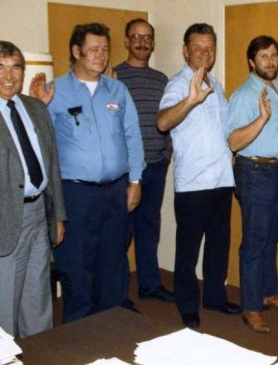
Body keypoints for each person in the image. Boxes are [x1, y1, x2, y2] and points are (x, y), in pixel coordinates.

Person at [30, 23, 145, 323]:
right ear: (76, 51)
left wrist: (135, 181)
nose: (101, 56)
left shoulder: (117, 90)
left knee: (112, 259)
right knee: (77, 264)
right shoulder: (55, 91)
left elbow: (133, 135)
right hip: (76, 192)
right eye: (94, 49)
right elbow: (42, 144)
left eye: (105, 49)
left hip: (115, 189)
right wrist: (37, 107)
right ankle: (78, 330)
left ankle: (109, 325)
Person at [157, 23, 240, 328]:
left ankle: (215, 298)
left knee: (219, 245)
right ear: (185, 50)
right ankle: (188, 304)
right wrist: (190, 100)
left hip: (221, 180)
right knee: (188, 249)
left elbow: (227, 131)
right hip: (192, 184)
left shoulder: (217, 86)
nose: (204, 53)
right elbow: (163, 122)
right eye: (198, 47)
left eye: (210, 48)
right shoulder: (177, 85)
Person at [227, 35, 278, 333]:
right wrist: (261, 119)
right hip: (254, 171)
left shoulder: (277, 88)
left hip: (277, 171)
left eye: (274, 55)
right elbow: (232, 141)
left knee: (271, 236)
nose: (270, 61)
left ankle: (267, 293)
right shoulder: (244, 95)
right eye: (263, 56)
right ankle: (250, 306)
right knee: (255, 241)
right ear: (252, 61)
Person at [0, 41, 66, 337]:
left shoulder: (36, 108)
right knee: (5, 303)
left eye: (15, 67)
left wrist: (58, 216)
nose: (8, 75)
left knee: (38, 296)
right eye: (0, 67)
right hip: (6, 220)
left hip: (40, 213)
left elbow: (52, 166)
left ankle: (39, 360)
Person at [114, 18, 174, 303]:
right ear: (126, 41)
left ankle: (149, 285)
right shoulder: (113, 77)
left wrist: (166, 154)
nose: (142, 42)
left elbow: (170, 121)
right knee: (119, 233)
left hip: (156, 166)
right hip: (126, 172)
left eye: (148, 37)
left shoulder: (161, 79)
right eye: (136, 36)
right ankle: (117, 292)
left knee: (149, 228)